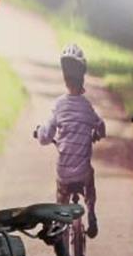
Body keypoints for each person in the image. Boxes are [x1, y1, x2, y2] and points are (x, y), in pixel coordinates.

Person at [35, 43, 105, 242]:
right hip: (82, 172)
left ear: (64, 77)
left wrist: (39, 133)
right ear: (82, 76)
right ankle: (91, 212)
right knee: (89, 179)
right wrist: (97, 134)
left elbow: (45, 136)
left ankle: (60, 228)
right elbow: (100, 125)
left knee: (61, 200)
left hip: (64, 173)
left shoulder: (59, 105)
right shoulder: (86, 106)